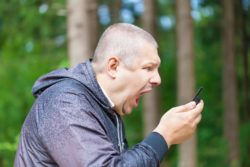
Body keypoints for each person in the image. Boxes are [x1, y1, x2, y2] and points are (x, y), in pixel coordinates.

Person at [14, 23, 204, 166]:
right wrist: (164, 135)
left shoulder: (105, 109)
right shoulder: (65, 102)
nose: (157, 79)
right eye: (148, 68)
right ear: (113, 67)